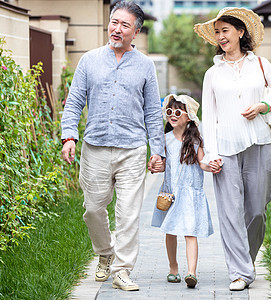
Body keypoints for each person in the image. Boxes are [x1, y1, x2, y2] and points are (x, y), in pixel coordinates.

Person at [61, 1, 165, 292]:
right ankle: (105, 252)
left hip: (132, 149)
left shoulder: (145, 66)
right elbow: (74, 103)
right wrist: (69, 136)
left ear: (136, 31)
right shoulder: (89, 60)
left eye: (125, 25)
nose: (117, 29)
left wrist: (157, 150)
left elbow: (152, 113)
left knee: (129, 214)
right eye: (114, 22)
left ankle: (122, 270)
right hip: (94, 148)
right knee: (93, 209)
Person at [194, 7, 271, 291]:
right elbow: (208, 118)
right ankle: (240, 272)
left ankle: (245, 261)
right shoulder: (212, 73)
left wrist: (263, 106)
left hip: (260, 144)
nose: (221, 37)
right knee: (230, 211)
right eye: (217, 32)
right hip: (225, 148)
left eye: (225, 31)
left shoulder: (261, 65)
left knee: (257, 211)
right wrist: (210, 154)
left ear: (240, 32)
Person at [150, 94, 221, 289]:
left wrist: (211, 166)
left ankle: (192, 272)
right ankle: (173, 268)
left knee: (190, 233)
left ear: (188, 117)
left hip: (190, 194)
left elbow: (202, 163)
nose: (172, 115)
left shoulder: (196, 140)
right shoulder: (164, 139)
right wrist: (156, 165)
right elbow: (165, 165)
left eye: (177, 112)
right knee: (170, 231)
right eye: (169, 112)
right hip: (171, 193)